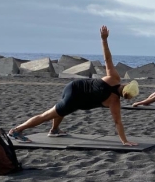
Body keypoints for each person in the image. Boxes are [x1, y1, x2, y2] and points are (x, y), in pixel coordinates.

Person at [8, 26, 139, 146]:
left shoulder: (114, 78)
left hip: (72, 86)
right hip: (74, 99)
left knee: (60, 110)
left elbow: (107, 59)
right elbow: (118, 122)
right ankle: (16, 131)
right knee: (46, 116)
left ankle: (54, 130)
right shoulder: (114, 101)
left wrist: (104, 40)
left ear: (126, 85)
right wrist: (124, 141)